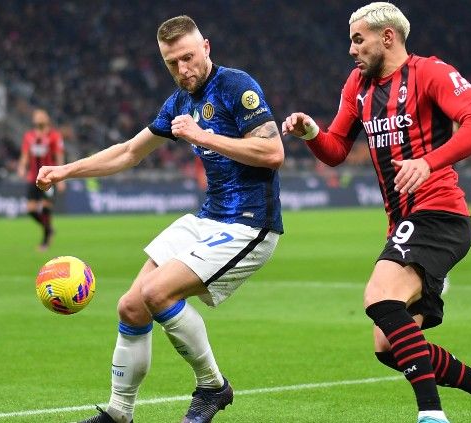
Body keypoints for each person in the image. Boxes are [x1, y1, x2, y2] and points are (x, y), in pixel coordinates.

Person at [282, 3, 471, 423]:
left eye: (359, 39)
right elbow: (337, 150)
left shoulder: (428, 72)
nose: (351, 49)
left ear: (388, 37)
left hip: (440, 212)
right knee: (389, 345)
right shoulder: (357, 86)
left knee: (378, 296)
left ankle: (431, 414)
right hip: (403, 223)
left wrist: (429, 162)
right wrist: (312, 133)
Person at [36, 15, 284, 423]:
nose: (183, 69)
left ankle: (212, 386)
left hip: (249, 222)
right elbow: (129, 152)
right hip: (208, 217)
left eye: (188, 57)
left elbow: (273, 153)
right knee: (132, 306)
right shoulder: (180, 101)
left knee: (157, 294)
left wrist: (200, 135)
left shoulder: (236, 86)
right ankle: (119, 413)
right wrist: (65, 170)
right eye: (172, 63)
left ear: (206, 46)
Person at [17, 109, 65, 251]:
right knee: (31, 210)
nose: (38, 118)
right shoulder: (29, 136)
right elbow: (25, 154)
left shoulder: (54, 136)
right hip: (33, 177)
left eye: (41, 115)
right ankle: (49, 228)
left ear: (47, 118)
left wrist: (62, 178)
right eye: (36, 116)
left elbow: (59, 156)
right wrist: (21, 167)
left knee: (45, 208)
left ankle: (45, 242)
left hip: (49, 177)